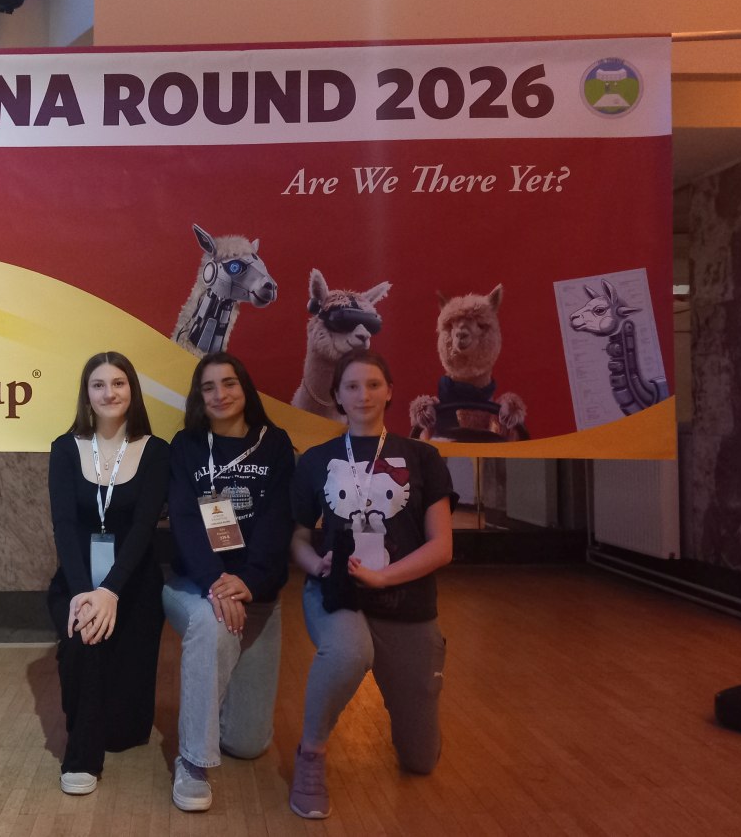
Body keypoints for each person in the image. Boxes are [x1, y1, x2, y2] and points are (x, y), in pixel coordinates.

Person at [288, 348, 456, 819]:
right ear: (337, 396)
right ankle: (311, 755)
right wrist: (315, 565)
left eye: (373, 385)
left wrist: (383, 576)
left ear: (390, 392)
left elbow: (442, 546)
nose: (363, 395)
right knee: (347, 652)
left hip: (405, 602)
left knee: (421, 760)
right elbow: (297, 540)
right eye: (352, 386)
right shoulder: (316, 460)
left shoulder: (423, 457)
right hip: (339, 595)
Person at [163, 352, 294, 812]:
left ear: (245, 389)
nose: (220, 394)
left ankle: (209, 707)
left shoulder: (275, 443)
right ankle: (193, 761)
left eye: (229, 383)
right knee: (212, 623)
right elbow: (184, 521)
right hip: (195, 585)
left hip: (257, 594)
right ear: (198, 398)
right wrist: (217, 581)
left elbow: (279, 521)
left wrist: (250, 581)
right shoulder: (185, 446)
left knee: (247, 743)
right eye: (208, 387)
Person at [46, 351, 169, 796]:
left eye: (118, 383)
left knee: (123, 733)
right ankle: (81, 757)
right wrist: (85, 592)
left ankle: (104, 728)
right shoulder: (65, 448)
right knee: (85, 635)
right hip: (77, 580)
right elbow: (64, 525)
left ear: (132, 390)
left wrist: (111, 590)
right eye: (98, 384)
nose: (109, 392)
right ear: (87, 394)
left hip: (133, 584)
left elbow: (143, 527)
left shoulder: (156, 451)